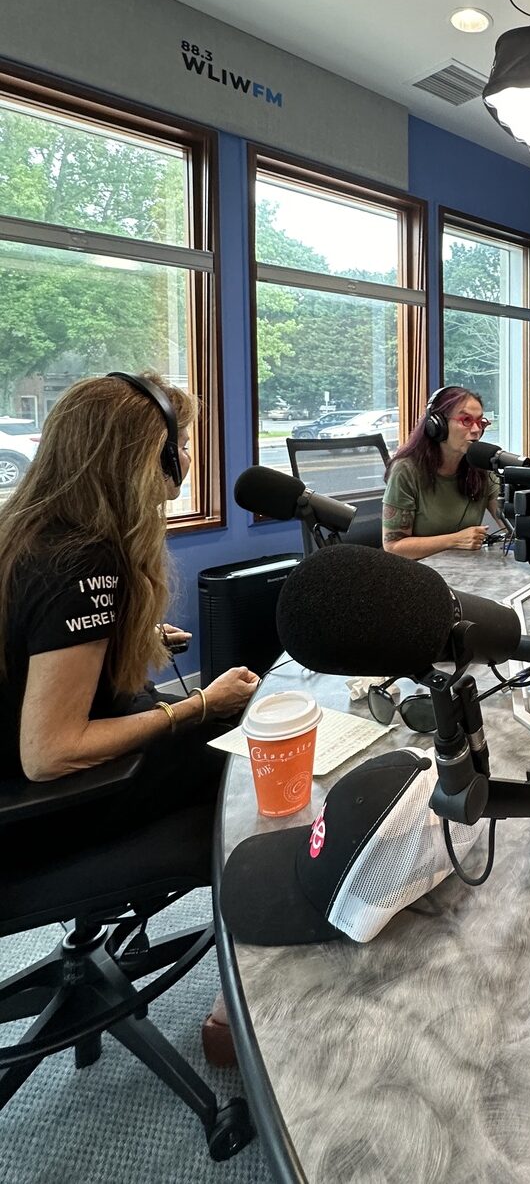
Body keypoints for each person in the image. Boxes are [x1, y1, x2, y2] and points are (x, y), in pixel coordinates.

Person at [0, 371, 259, 1065]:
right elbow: (50, 752)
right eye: (183, 447)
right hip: (37, 820)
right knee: (252, 768)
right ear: (156, 457)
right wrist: (202, 705)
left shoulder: (27, 531)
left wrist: (127, 642)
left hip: (12, 801)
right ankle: (245, 1002)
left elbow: (31, 662)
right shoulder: (87, 562)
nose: (187, 460)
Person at [381, 385, 502, 557]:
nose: (476, 430)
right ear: (437, 425)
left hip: (464, 571)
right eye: (466, 420)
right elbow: (393, 546)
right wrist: (454, 540)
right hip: (416, 573)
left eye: (480, 422)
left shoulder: (482, 468)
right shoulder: (406, 470)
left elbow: (509, 523)